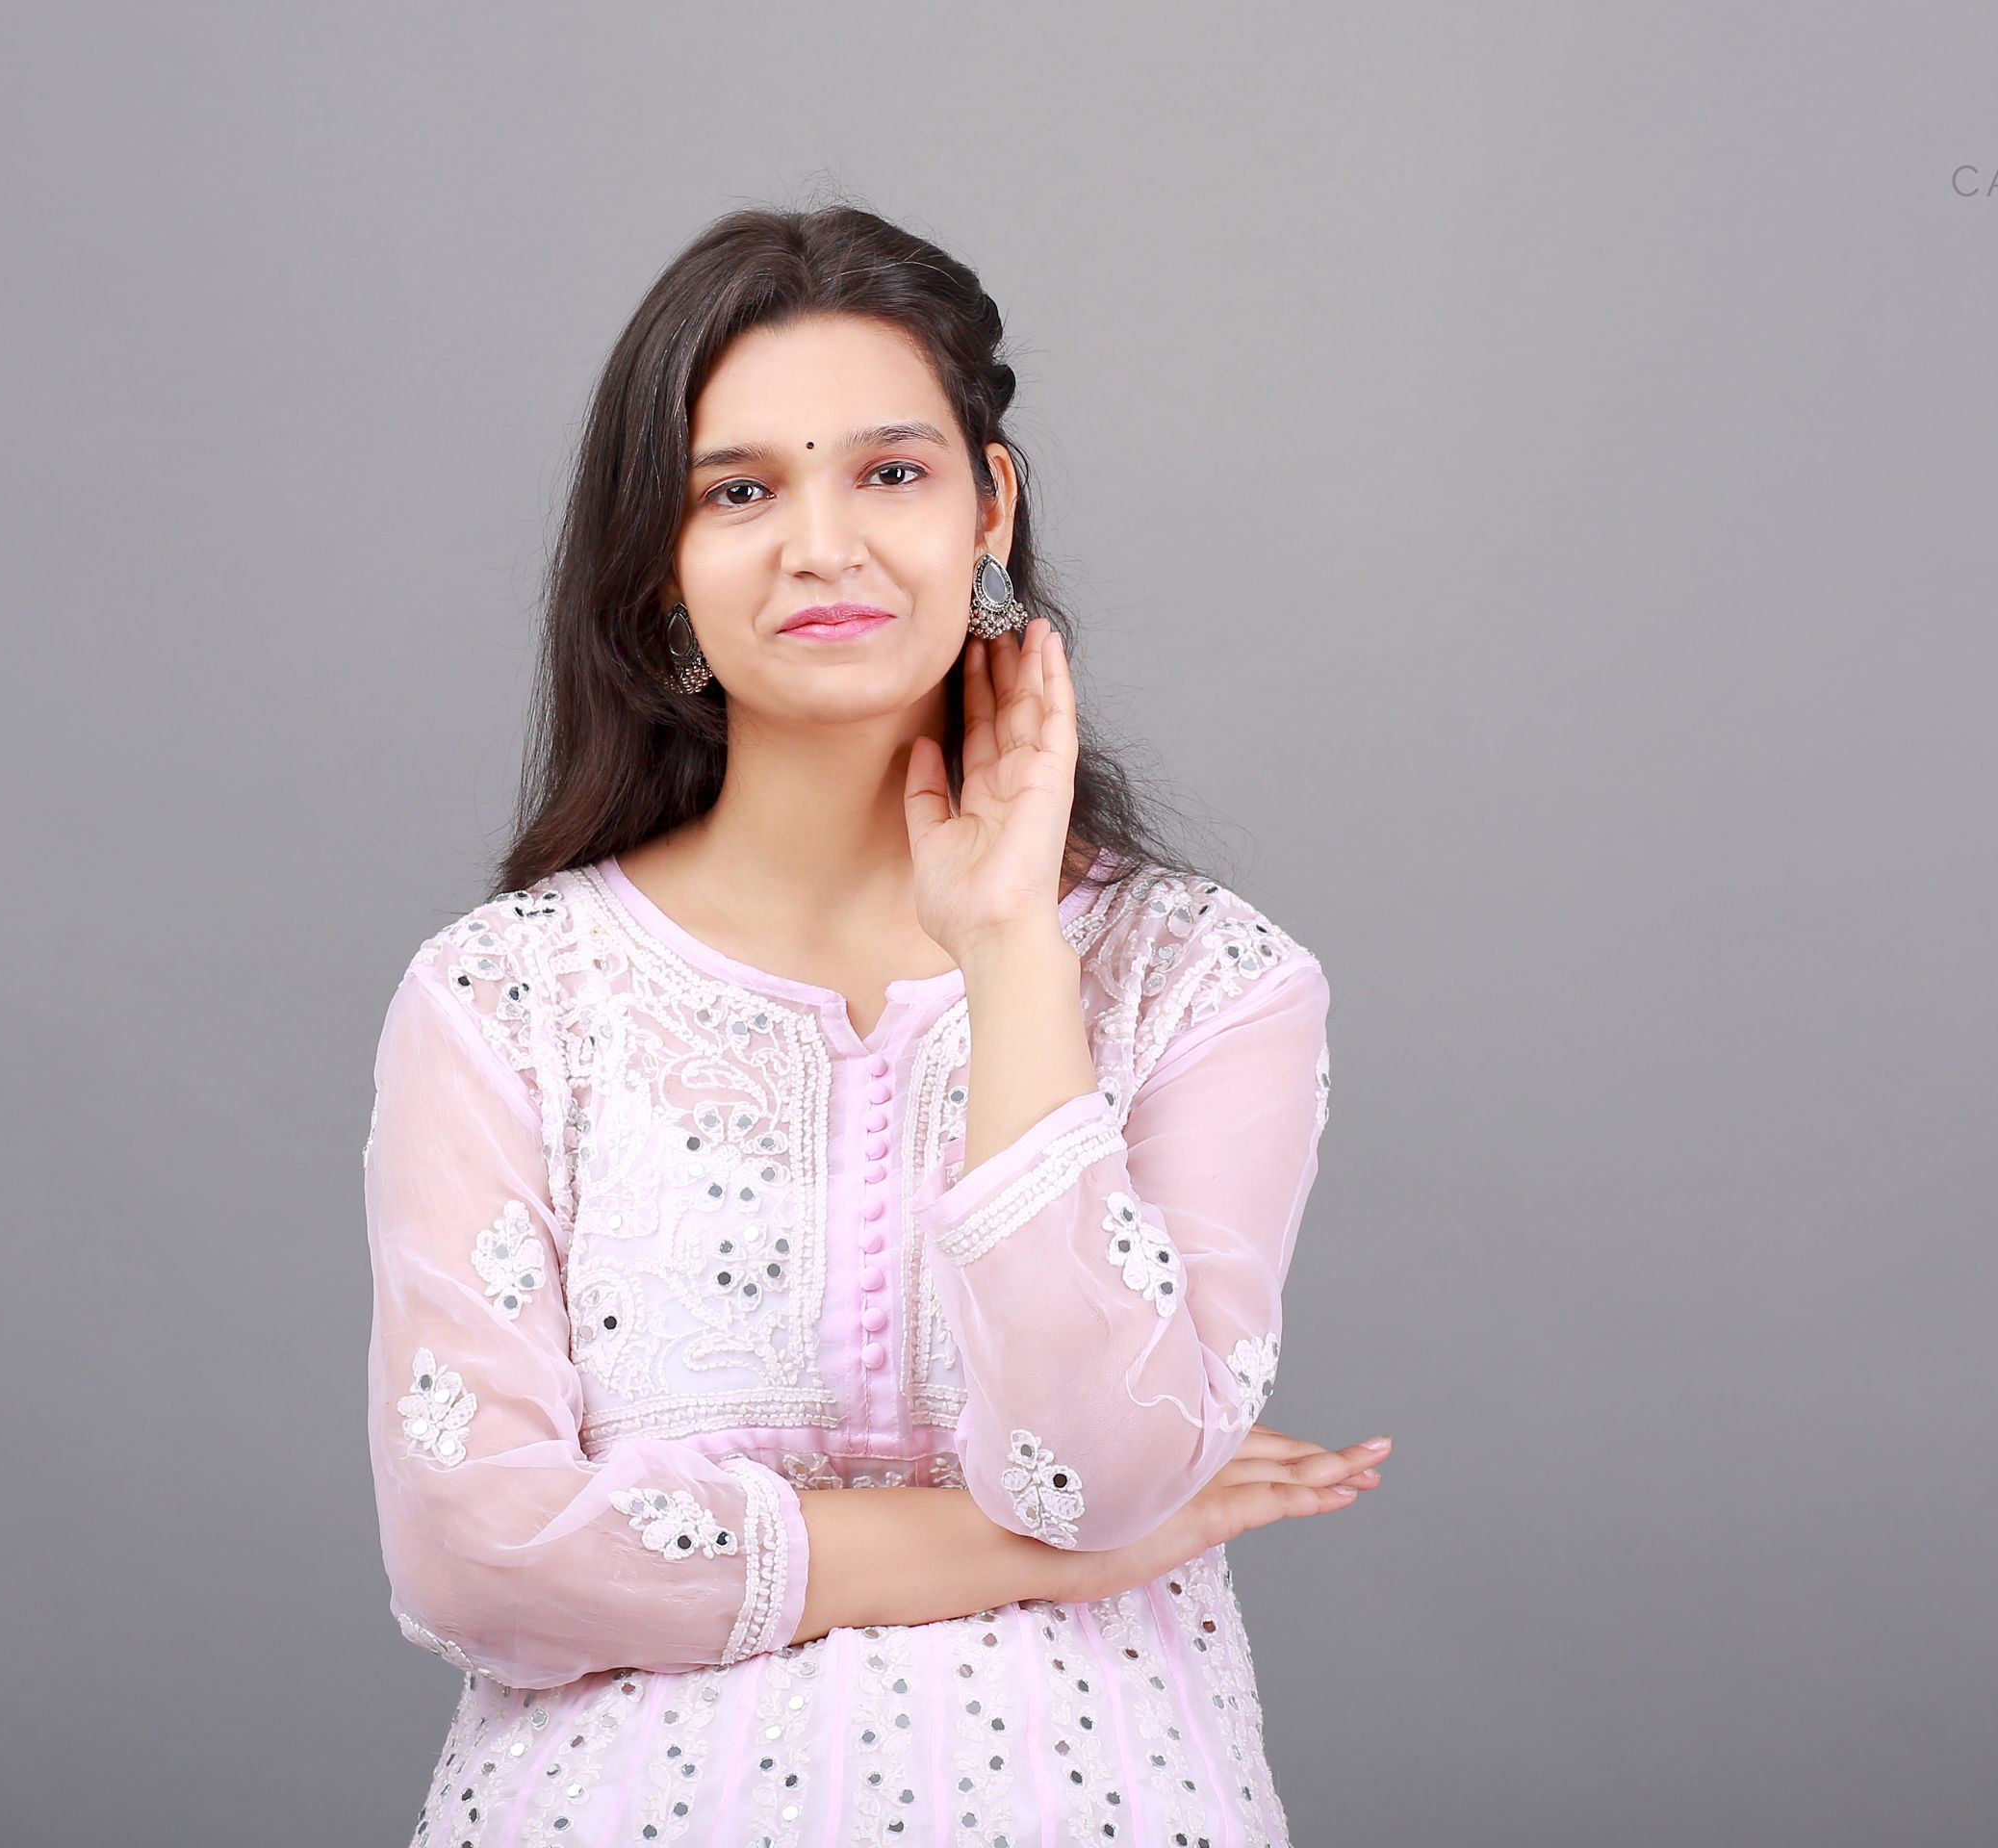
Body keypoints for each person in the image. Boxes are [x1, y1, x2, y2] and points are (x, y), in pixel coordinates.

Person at [362, 202, 1390, 1847]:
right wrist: (1051, 1555)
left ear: (991, 506)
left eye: (891, 472)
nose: (822, 545)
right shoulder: (506, 999)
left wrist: (1010, 949)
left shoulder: (1204, 981)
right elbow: (473, 1561)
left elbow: (1093, 1470)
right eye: (739, 490)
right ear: (659, 560)